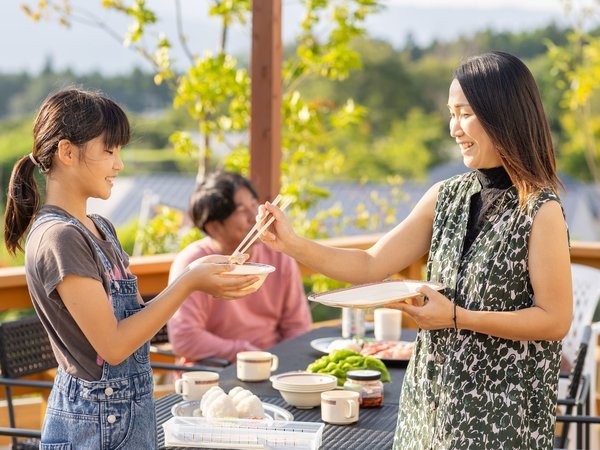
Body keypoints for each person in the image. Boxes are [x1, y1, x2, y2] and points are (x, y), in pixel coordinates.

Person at [258, 51, 572, 449]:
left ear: (502, 114)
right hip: (429, 407)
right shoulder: (445, 196)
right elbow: (370, 263)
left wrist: (456, 317)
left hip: (501, 418)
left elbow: (554, 319)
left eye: (464, 113)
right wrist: (293, 244)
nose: (454, 128)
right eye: (451, 114)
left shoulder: (540, 210)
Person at [3, 89, 259, 448]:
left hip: (127, 416)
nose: (119, 164)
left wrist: (198, 272)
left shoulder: (100, 228)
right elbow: (113, 345)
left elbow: (138, 322)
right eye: (109, 150)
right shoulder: (59, 238)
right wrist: (188, 283)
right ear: (67, 152)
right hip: (94, 425)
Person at [167, 171, 312, 364]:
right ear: (214, 227)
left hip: (272, 364)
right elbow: (184, 338)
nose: (254, 216)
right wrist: (244, 353)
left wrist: (282, 363)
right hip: (214, 372)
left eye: (254, 204)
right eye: (241, 209)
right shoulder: (194, 263)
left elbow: (297, 326)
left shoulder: (279, 256)